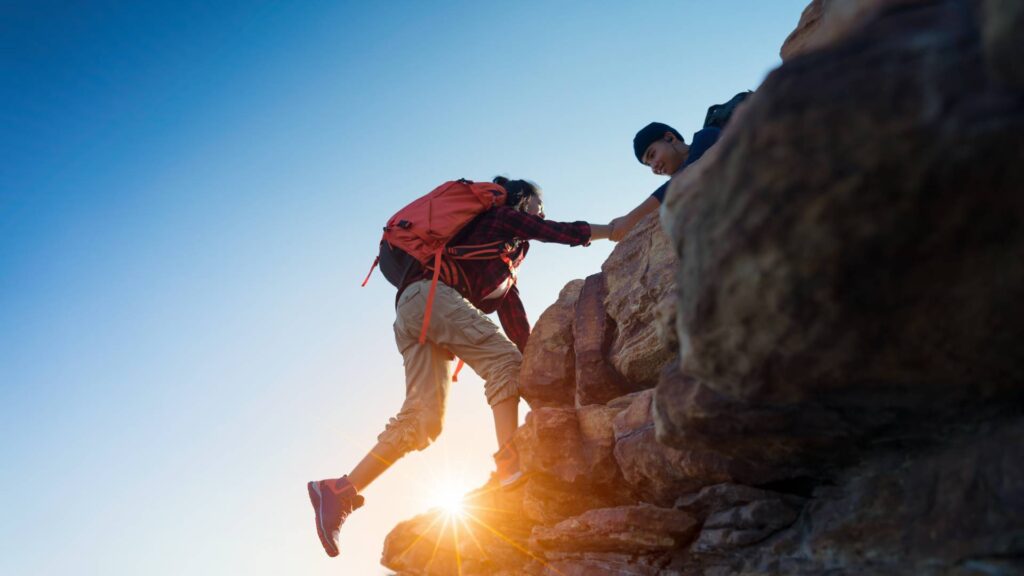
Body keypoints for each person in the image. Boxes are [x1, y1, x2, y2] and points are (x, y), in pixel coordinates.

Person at [307, 177, 613, 558]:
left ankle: (338, 491)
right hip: (430, 296)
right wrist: (612, 230)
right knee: (503, 363)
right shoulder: (502, 219)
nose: (541, 211)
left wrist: (540, 370)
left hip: (412, 309)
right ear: (522, 200)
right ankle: (510, 468)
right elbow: (556, 232)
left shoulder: (501, 263)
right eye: (537, 203)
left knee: (423, 421)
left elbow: (516, 322)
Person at [609, 122, 721, 241]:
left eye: (652, 155)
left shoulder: (706, 136)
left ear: (670, 138)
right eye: (648, 165)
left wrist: (629, 220)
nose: (653, 167)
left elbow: (690, 172)